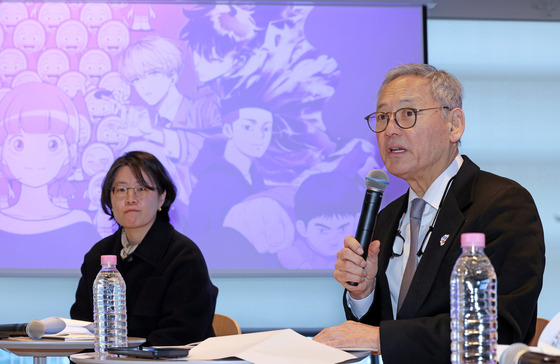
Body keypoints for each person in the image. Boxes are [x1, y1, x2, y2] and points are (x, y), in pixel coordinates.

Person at [313, 64, 546, 363]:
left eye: (408, 114)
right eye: (382, 117)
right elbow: (388, 325)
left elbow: (499, 329)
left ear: (454, 125)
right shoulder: (387, 219)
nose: (390, 129)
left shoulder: (503, 205)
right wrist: (363, 294)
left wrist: (378, 337)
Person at [70, 151, 218, 346]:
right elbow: (82, 329)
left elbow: (183, 336)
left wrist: (124, 356)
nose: (130, 198)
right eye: (121, 190)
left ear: (161, 197)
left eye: (141, 189)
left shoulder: (184, 257)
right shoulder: (97, 256)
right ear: (110, 200)